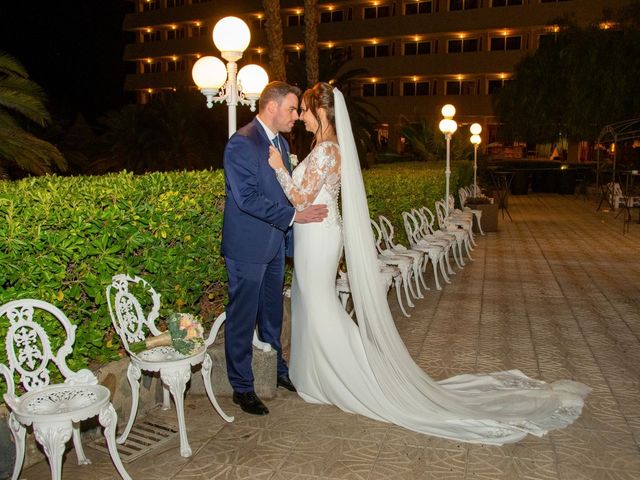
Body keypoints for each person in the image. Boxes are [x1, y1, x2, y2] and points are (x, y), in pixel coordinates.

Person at [267, 82, 590, 445]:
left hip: (319, 236)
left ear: (320, 111)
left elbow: (299, 197)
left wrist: (280, 168)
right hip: (318, 234)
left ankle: (348, 373)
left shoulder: (326, 149)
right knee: (312, 302)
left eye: (305, 111)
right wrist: (293, 167)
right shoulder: (327, 148)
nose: (301, 118)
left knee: (319, 303)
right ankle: (316, 375)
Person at [221, 81, 328, 416]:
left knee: (271, 315)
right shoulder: (241, 143)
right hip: (247, 247)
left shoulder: (281, 142)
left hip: (274, 246)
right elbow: (247, 199)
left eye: (298, 110)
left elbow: (286, 187)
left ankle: (279, 371)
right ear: (272, 107)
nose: (297, 116)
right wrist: (295, 215)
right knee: (242, 318)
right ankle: (242, 387)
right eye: (293, 109)